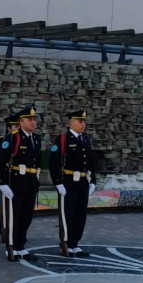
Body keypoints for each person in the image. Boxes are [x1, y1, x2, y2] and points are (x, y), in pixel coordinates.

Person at [0, 105, 42, 262]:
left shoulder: (35, 139)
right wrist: (1, 182)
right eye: (30, 119)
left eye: (34, 119)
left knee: (26, 216)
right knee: (14, 216)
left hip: (31, 182)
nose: (33, 122)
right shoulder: (13, 138)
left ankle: (21, 246)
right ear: (21, 122)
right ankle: (11, 246)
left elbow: (37, 161)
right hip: (16, 182)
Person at [49, 109, 97, 257]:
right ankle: (66, 242)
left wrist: (93, 181)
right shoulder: (63, 139)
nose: (83, 124)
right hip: (68, 182)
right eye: (79, 121)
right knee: (67, 213)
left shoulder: (85, 140)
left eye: (84, 122)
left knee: (80, 214)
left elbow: (90, 162)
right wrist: (58, 182)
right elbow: (54, 162)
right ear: (71, 123)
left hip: (82, 181)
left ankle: (75, 243)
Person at [0, 113, 20, 244]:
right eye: (15, 126)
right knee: (5, 207)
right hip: (5, 176)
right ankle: (4, 230)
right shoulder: (1, 141)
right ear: (9, 128)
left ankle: (16, 231)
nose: (17, 128)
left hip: (17, 178)